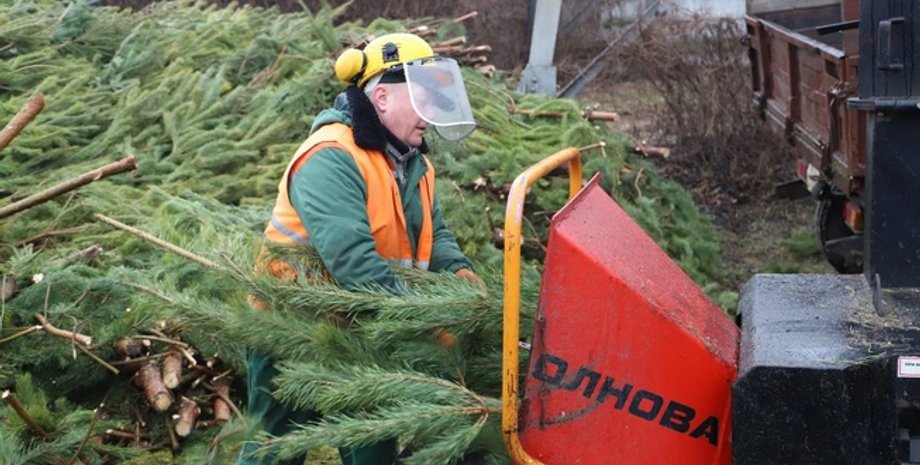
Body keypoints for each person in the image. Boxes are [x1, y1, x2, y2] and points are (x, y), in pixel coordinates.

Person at [238, 32, 483, 465]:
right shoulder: (331, 156)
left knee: (373, 449)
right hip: (291, 329)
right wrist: (430, 323)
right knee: (274, 450)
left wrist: (462, 282)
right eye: (422, 95)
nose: (431, 111)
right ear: (382, 97)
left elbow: (435, 235)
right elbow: (355, 265)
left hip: (364, 329)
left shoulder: (414, 164)